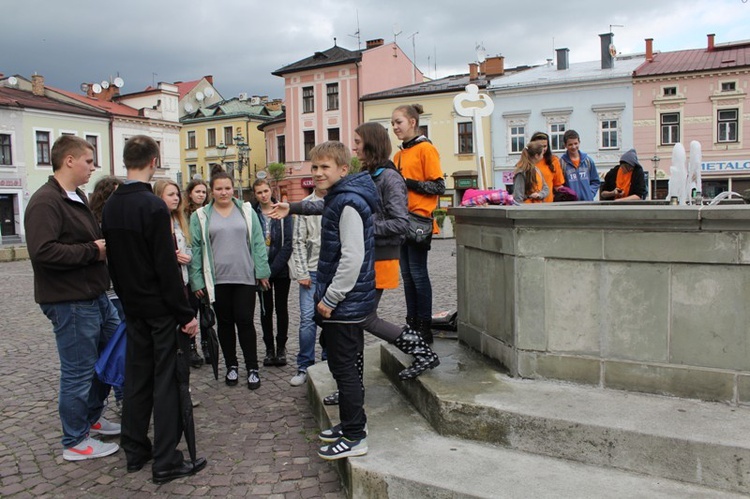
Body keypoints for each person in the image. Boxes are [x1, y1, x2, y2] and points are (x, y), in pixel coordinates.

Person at [102, 135, 206, 483]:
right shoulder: (152, 207)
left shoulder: (112, 204)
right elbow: (165, 267)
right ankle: (165, 459)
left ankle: (135, 450)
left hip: (132, 306)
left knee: (137, 378)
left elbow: (113, 263)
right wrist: (185, 314)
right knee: (166, 380)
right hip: (159, 308)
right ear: (154, 161)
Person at [25, 135, 121, 462]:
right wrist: (93, 250)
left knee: (109, 357)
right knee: (78, 371)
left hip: (94, 295)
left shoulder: (75, 195)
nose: (92, 167)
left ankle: (91, 417)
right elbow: (42, 251)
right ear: (69, 160)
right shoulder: (45, 201)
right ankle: (75, 440)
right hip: (70, 300)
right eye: (88, 161)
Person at [308, 141, 378, 461]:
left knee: (345, 369)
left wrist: (331, 297)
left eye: (325, 167)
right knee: (339, 364)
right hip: (343, 302)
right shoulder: (339, 197)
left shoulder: (348, 201)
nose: (318, 173)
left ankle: (354, 435)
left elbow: (352, 257)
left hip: (344, 303)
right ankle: (349, 424)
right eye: (315, 167)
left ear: (343, 169)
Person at [189, 168, 270, 390]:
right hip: (217, 279)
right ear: (211, 191)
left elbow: (257, 242)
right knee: (225, 324)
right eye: (219, 189)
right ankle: (231, 366)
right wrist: (197, 280)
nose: (224, 192)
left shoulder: (245, 210)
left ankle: (252, 367)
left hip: (244, 275)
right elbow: (196, 249)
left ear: (233, 188)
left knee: (245, 321)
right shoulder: (201, 216)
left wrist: (262, 271)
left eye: (227, 188)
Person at [391, 103, 445, 343]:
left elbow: (438, 186)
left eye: (398, 122)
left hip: (419, 220)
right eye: (392, 123)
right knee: (408, 275)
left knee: (418, 274)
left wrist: (407, 182)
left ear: (412, 122)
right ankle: (412, 323)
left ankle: (424, 327)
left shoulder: (426, 149)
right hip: (401, 221)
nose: (394, 127)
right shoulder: (398, 154)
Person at [154, 179, 203, 369]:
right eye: (170, 195)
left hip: (184, 280)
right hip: (166, 285)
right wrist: (169, 257)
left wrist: (187, 257)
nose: (176, 198)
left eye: (177, 194)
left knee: (188, 320)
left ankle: (188, 352)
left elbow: (190, 247)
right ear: (159, 197)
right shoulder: (156, 221)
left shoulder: (180, 220)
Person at [89, 176, 126, 414]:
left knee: (122, 348)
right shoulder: (97, 223)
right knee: (111, 349)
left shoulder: (120, 219)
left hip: (121, 291)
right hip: (107, 291)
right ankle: (119, 398)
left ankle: (124, 397)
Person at [253, 179, 293, 368]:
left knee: (281, 309)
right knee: (265, 310)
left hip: (280, 269)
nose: (263, 195)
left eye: (266, 191)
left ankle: (281, 347)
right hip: (260, 271)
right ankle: (269, 349)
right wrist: (262, 271)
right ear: (255, 194)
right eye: (259, 192)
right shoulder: (252, 214)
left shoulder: (282, 211)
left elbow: (288, 244)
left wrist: (271, 270)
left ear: (271, 191)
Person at [288, 185, 326, 387]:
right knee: (307, 320)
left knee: (332, 320)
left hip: (333, 273)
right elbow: (298, 241)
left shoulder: (341, 200)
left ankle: (329, 364)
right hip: (311, 271)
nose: (319, 174)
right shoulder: (305, 205)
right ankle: (304, 366)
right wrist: (302, 272)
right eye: (316, 169)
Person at [184, 179, 212, 365]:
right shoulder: (184, 215)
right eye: (197, 191)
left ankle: (207, 344)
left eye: (203, 192)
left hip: (208, 268)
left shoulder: (210, 213)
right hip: (190, 267)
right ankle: (191, 347)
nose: (201, 195)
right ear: (190, 194)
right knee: (191, 309)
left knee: (207, 311)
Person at [560, 129, 600, 201]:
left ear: (579, 142)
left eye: (576, 143)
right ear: (565, 145)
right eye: (570, 144)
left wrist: (590, 193)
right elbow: (560, 185)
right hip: (570, 204)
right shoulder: (562, 163)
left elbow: (595, 181)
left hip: (587, 203)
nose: (574, 147)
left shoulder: (588, 161)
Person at [529, 131, 565, 203]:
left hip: (548, 204)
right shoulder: (527, 162)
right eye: (540, 146)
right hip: (530, 204)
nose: (543, 149)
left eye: (545, 146)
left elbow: (558, 185)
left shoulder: (554, 161)